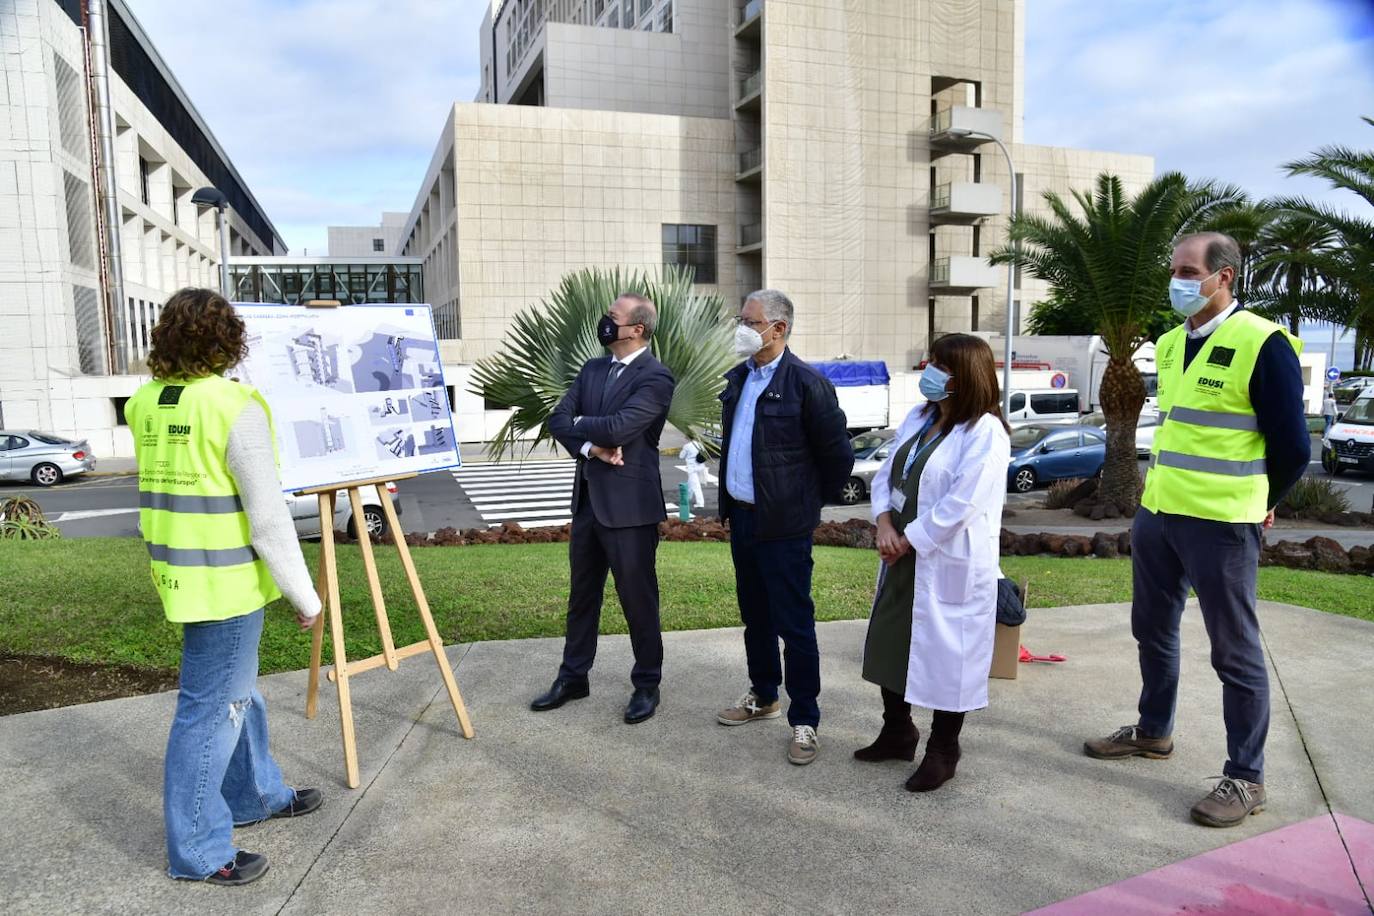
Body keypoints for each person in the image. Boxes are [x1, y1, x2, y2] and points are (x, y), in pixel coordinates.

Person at [1085, 232, 1310, 828]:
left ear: (1224, 276)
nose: (1177, 280)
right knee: (1151, 630)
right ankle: (1154, 732)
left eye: (1188, 270)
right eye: (1175, 269)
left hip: (1223, 523)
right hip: (1159, 514)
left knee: (1234, 652)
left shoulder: (1263, 343)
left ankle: (1246, 777)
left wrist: (1265, 500)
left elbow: (1293, 447)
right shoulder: (1167, 345)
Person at [124, 288, 324, 887]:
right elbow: (268, 517)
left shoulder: (144, 402)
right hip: (226, 581)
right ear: (227, 340)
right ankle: (199, 849)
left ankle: (255, 793)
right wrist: (306, 597)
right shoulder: (234, 405)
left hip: (180, 572)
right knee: (213, 710)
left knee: (238, 693)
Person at [858, 334, 1011, 791]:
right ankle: (897, 731)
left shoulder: (985, 432)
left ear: (964, 376)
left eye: (941, 365)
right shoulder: (920, 416)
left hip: (946, 560)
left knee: (950, 659)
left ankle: (944, 749)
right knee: (892, 644)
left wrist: (908, 539)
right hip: (900, 554)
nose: (931, 371)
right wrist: (884, 522)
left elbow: (962, 503)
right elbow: (888, 473)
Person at [714, 289, 854, 765]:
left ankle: (806, 719)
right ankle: (764, 695)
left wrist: (802, 506)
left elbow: (838, 458)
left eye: (750, 321)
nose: (742, 327)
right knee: (756, 616)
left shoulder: (807, 384)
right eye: (742, 318)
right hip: (745, 519)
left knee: (794, 625)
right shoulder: (738, 379)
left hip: (785, 527)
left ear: (779, 329)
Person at [537, 293, 677, 723]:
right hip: (587, 504)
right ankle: (573, 676)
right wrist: (590, 447)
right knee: (582, 597)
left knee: (638, 599)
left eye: (612, 317)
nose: (605, 322)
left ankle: (647, 683)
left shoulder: (656, 377)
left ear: (637, 328)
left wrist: (581, 424)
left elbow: (622, 426)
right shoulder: (592, 368)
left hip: (630, 509)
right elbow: (556, 418)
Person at [677, 438, 717, 509]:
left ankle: (700, 503)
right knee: (690, 483)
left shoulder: (687, 446)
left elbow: (681, 456)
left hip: (692, 468)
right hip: (701, 467)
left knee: (696, 486)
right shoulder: (700, 444)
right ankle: (688, 497)